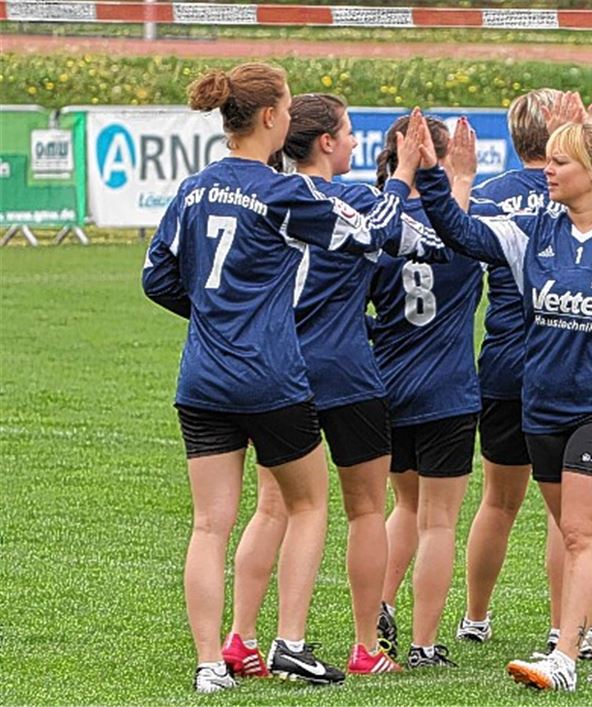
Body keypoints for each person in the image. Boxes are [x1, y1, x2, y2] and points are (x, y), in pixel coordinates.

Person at [141, 64, 443, 693]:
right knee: (311, 506)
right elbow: (378, 233)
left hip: (201, 377)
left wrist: (214, 319)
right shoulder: (284, 193)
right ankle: (294, 643)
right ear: (273, 118)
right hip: (274, 376)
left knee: (211, 523)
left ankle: (213, 661)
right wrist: (408, 174)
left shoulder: (193, 188)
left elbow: (157, 278)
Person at [409, 113, 592, 691]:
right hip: (545, 404)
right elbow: (463, 236)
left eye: (561, 162)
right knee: (580, 533)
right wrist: (436, 177)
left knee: (584, 534)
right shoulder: (535, 231)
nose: (548, 171)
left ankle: (564, 654)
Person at [219, 93, 447, 681]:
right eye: (347, 134)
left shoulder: (270, 199)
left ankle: (241, 636)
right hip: (344, 370)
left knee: (272, 508)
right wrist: (407, 173)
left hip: (279, 368)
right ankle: (366, 645)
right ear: (325, 143)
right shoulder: (357, 200)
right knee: (367, 509)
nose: (352, 144)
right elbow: (412, 243)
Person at [456, 88, 567, 654]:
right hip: (561, 366)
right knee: (567, 508)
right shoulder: (575, 192)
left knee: (498, 500)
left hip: (501, 362)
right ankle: (561, 625)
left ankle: (475, 617)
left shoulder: (488, 196)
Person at [370, 111, 483, 669]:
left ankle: (382, 605)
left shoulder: (380, 228)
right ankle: (424, 643)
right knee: (438, 520)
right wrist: (460, 180)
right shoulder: (463, 228)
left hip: (388, 384)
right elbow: (457, 236)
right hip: (447, 390)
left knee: (404, 504)